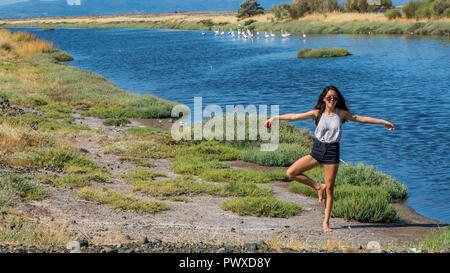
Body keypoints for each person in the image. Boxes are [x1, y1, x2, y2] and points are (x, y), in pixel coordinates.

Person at [264, 86, 395, 232]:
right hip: (318, 149)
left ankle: (326, 222)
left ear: (337, 100)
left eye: (335, 98)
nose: (332, 100)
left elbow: (362, 119)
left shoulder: (342, 113)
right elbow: (294, 116)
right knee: (291, 172)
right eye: (329, 98)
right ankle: (317, 186)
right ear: (324, 99)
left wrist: (383, 121)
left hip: (332, 151)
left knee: (330, 189)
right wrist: (275, 118)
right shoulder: (317, 114)